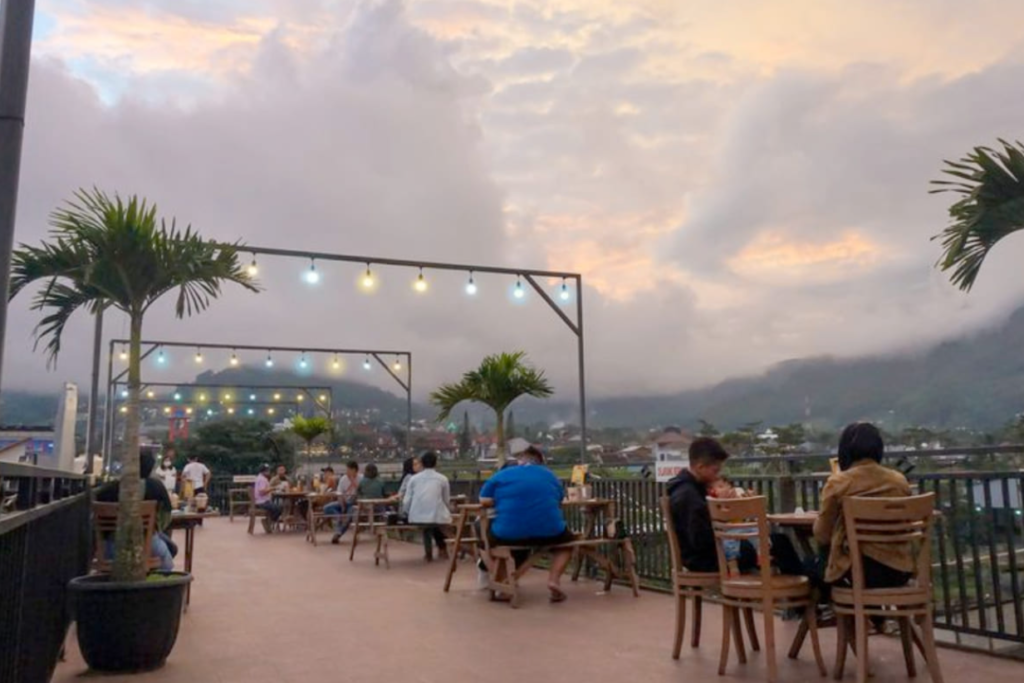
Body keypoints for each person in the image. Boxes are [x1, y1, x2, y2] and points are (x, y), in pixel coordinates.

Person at [667, 437, 804, 575]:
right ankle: (797, 589)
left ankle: (783, 590)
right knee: (778, 544)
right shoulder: (688, 495)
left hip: (707, 553)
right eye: (715, 471)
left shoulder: (688, 489)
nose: (718, 476)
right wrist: (724, 512)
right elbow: (700, 540)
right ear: (700, 467)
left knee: (774, 542)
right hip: (707, 559)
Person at [814, 422, 913, 591]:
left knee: (815, 566)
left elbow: (822, 536)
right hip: (900, 571)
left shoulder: (840, 482)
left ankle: (841, 615)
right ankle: (873, 616)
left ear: (845, 450)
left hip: (856, 574)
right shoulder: (899, 481)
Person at [478, 446, 575, 602]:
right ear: (540, 462)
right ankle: (553, 580)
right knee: (567, 544)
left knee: (484, 544)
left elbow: (483, 500)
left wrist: (501, 500)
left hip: (508, 534)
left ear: (519, 461)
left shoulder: (502, 474)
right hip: (549, 532)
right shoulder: (550, 475)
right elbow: (559, 499)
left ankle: (503, 583)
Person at [95, 449, 176, 571]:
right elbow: (166, 516)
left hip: (110, 549)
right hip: (149, 547)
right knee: (167, 559)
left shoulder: (108, 489)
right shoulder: (156, 487)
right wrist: (155, 529)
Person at [403, 451, 451, 562]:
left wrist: (405, 513)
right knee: (436, 522)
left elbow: (407, 500)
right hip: (436, 516)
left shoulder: (413, 479)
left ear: (422, 464)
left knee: (428, 526)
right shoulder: (443, 479)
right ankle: (443, 548)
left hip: (416, 516)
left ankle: (429, 553)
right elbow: (446, 500)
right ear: (436, 463)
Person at [326, 461, 361, 544]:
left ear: (354, 470)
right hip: (343, 501)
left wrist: (353, 481)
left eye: (349, 470)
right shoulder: (343, 479)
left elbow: (361, 493)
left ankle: (338, 533)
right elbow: (339, 492)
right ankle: (338, 517)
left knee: (349, 515)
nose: (347, 472)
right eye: (347, 470)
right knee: (327, 508)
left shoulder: (361, 479)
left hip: (353, 503)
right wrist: (342, 502)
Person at [253, 463, 282, 533]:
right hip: (262, 502)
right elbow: (262, 492)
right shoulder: (262, 479)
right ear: (264, 471)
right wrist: (273, 488)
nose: (269, 472)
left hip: (262, 501)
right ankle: (269, 522)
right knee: (278, 508)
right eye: (268, 470)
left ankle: (269, 522)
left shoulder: (260, 478)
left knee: (277, 507)